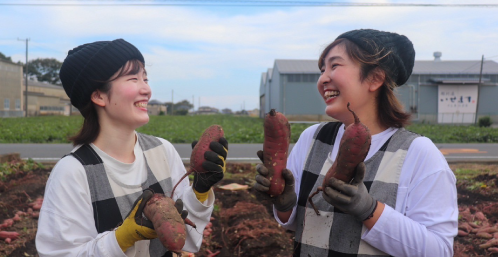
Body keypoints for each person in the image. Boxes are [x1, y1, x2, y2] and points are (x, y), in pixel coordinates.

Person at [254, 29, 458, 257]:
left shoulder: (418, 153)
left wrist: (370, 210)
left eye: (335, 66)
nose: (322, 79)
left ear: (375, 79)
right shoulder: (312, 138)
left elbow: (439, 250)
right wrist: (284, 206)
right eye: (322, 70)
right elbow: (297, 225)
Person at [35, 39, 228, 257]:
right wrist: (121, 238)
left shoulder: (162, 151)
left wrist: (199, 192)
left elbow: (186, 242)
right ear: (98, 95)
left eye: (145, 78)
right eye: (133, 78)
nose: (146, 89)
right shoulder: (73, 172)